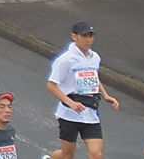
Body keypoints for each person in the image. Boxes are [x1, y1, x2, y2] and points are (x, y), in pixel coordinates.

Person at [47, 20, 119, 159]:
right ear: (74, 36)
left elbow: (93, 77)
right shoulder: (65, 60)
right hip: (69, 114)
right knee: (67, 155)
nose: (89, 40)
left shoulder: (95, 57)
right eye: (85, 36)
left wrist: (105, 95)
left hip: (90, 112)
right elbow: (51, 85)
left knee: (96, 154)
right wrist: (70, 103)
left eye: (91, 36)